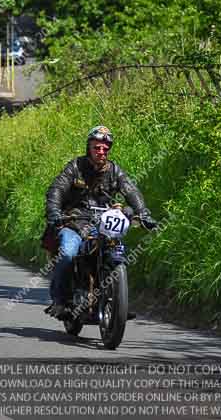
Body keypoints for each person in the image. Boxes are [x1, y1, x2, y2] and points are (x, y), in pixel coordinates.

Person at [44, 125, 157, 318]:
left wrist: (143, 213)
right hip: (74, 221)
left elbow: (131, 191)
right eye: (97, 147)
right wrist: (54, 211)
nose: (101, 152)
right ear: (89, 147)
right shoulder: (75, 167)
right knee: (69, 253)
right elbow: (57, 189)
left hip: (103, 223)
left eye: (105, 148)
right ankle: (59, 300)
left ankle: (117, 300)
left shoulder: (114, 170)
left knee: (116, 250)